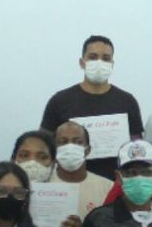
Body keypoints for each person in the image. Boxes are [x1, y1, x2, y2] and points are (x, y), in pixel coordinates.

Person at [39, 35, 144, 181]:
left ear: (112, 64)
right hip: (68, 183)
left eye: (106, 58)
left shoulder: (127, 101)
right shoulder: (60, 101)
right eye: (93, 57)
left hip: (116, 184)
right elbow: (42, 146)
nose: (99, 62)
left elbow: (137, 148)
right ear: (82, 62)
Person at [50, 120, 116, 214]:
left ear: (88, 150)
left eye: (77, 142)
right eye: (63, 142)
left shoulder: (108, 188)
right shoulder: (42, 185)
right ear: (54, 149)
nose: (70, 147)